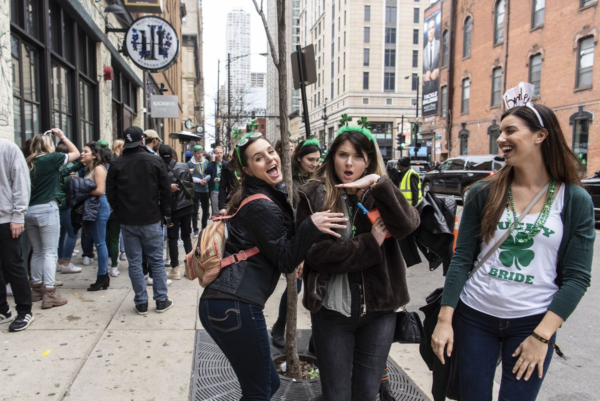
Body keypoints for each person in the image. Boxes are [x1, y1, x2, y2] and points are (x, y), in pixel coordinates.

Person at [431, 92, 595, 401]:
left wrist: (541, 337)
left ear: (540, 136)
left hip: (533, 322)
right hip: (474, 318)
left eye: (510, 131)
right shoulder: (483, 192)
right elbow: (462, 258)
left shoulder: (574, 200)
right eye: (500, 132)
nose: (501, 139)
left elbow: (577, 278)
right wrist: (444, 320)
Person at [199, 132, 347, 400]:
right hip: (234, 305)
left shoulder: (263, 193)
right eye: (258, 157)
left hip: (230, 304)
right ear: (246, 169)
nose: (269, 158)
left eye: (270, 151)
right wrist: (311, 226)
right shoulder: (261, 205)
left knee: (269, 385)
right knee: (260, 390)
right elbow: (285, 260)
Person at [295, 126, 420, 401]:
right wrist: (371, 242)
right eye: (342, 154)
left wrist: (380, 183)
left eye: (358, 156)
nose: (349, 163)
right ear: (332, 157)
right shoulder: (313, 195)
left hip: (379, 312)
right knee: (336, 394)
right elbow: (318, 255)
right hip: (331, 313)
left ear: (369, 161)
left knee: (366, 393)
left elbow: (407, 225)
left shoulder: (378, 192)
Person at [106, 126, 173, 315]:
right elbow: (166, 190)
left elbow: (110, 193)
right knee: (156, 261)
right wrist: (165, 213)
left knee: (135, 263)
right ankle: (161, 300)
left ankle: (141, 302)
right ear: (142, 141)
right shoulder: (155, 160)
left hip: (128, 220)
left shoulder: (117, 163)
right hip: (151, 218)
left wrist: (119, 212)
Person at [271, 137, 321, 348]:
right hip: (297, 239)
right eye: (311, 159)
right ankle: (280, 327)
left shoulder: (317, 178)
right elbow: (288, 215)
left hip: (318, 240)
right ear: (298, 158)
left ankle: (317, 338)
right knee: (295, 288)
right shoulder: (287, 181)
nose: (315, 164)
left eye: (318, 160)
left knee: (319, 288)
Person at [25, 129, 80, 309]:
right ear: (46, 145)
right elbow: (76, 153)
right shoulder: (51, 159)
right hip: (47, 208)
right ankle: (50, 292)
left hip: (29, 211)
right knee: (50, 252)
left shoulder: (28, 162)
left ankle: (36, 289)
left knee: (37, 251)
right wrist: (62, 136)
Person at [0, 139, 34, 331]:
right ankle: (2, 310)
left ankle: (24, 311)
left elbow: (21, 181)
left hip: (6, 219)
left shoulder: (7, 148)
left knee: (13, 265)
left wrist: (18, 215)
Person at [159, 144, 194, 280]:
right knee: (186, 235)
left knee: (173, 238)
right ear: (173, 155)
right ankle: (191, 267)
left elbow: (160, 191)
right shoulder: (184, 166)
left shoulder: (160, 169)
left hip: (172, 208)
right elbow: (190, 185)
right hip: (187, 205)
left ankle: (175, 269)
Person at [80, 142, 111, 291]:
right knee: (98, 242)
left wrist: (80, 190)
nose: (82, 154)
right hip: (93, 206)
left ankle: (102, 276)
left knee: (99, 243)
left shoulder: (99, 168)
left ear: (94, 155)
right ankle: (103, 276)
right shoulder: (90, 169)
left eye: (85, 151)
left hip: (98, 206)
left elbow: (100, 190)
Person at [55, 143, 84, 274]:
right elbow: (71, 187)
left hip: (58, 204)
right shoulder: (69, 167)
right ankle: (66, 262)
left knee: (61, 234)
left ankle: (60, 261)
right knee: (72, 233)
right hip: (66, 204)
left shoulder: (55, 166)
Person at [188, 145, 210, 235]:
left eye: (201, 153)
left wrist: (206, 179)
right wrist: (199, 180)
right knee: (194, 210)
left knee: (206, 210)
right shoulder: (190, 163)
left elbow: (209, 173)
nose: (200, 155)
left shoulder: (206, 162)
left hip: (205, 189)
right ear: (194, 153)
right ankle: (195, 229)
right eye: (198, 153)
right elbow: (189, 176)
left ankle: (204, 227)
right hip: (196, 189)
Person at [217, 149, 241, 215]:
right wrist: (222, 206)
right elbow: (222, 187)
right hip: (233, 202)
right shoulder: (227, 167)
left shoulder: (249, 166)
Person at [206, 145, 226, 217]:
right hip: (215, 189)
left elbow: (229, 178)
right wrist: (212, 161)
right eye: (218, 153)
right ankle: (216, 227)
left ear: (223, 153)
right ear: (215, 154)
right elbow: (207, 171)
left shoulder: (226, 164)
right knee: (216, 213)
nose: (219, 154)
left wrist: (220, 179)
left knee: (224, 212)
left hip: (224, 190)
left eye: (221, 153)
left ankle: (222, 227)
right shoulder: (212, 164)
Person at [423, 18, 440, 92]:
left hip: (438, 87)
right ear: (427, 32)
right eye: (429, 29)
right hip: (427, 90)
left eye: (432, 27)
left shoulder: (440, 44)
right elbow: (421, 74)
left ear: (435, 29)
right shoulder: (423, 51)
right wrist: (424, 77)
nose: (431, 31)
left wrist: (438, 71)